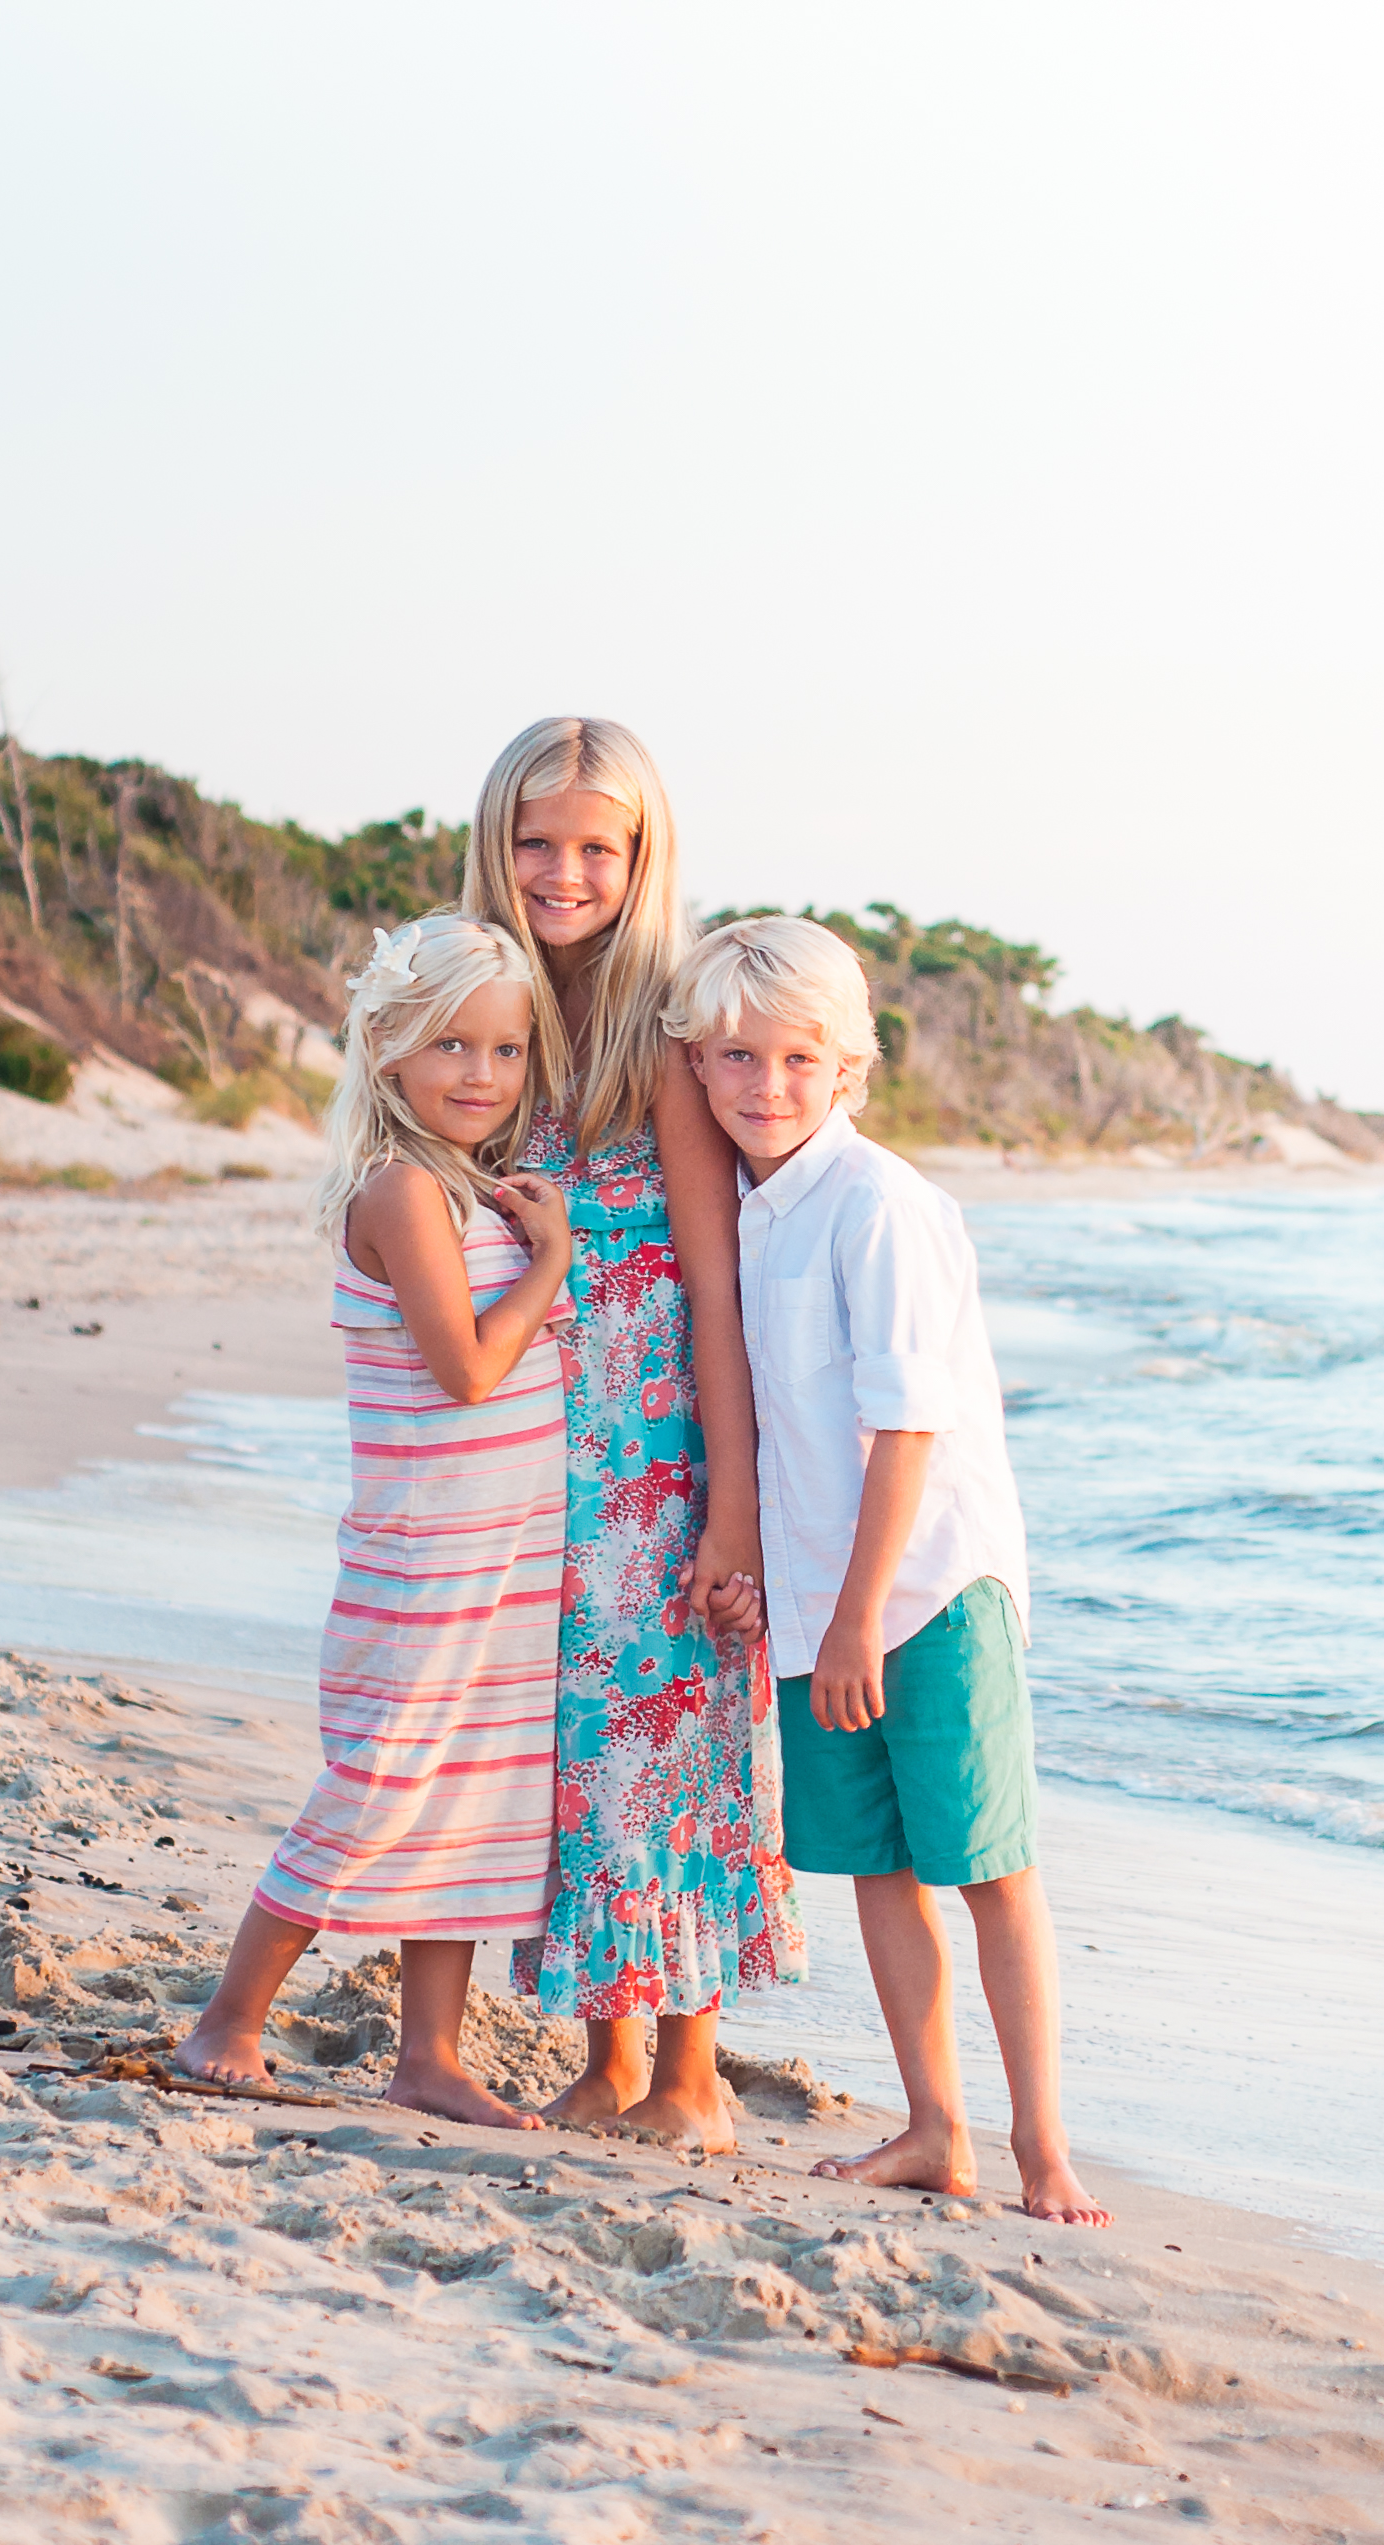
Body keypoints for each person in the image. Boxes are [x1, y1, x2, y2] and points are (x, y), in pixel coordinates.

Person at [663, 912, 1108, 2225]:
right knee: (875, 1863)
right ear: (697, 1065)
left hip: (928, 1590)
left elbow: (906, 1430)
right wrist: (764, 1576)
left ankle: (1043, 2147)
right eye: (737, 1058)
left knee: (988, 1864)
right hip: (819, 1599)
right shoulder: (744, 1213)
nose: (767, 1086)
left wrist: (861, 1616)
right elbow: (779, 1428)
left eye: (800, 1060)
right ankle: (934, 2128)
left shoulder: (881, 1206)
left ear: (850, 1069)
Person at [465, 718, 803, 2153]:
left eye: (597, 846)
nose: (563, 871)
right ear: (498, 844)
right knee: (572, 1742)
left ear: (641, 855)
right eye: (537, 841)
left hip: (657, 1453)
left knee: (672, 1739)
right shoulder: (479, 1006)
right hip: (534, 1446)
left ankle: (688, 2071)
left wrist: (732, 1507)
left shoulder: (664, 1028)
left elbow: (715, 1280)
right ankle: (606, 2058)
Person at [174, 914, 570, 2128]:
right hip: (425, 1557)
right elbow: (464, 1369)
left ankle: (430, 2056)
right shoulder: (404, 1190)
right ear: (389, 1047)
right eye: (452, 1045)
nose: (480, 1075)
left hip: (502, 1553)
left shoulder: (475, 1191)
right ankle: (228, 2019)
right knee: (381, 1777)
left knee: (467, 1793)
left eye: (506, 1053)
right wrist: (551, 1261)